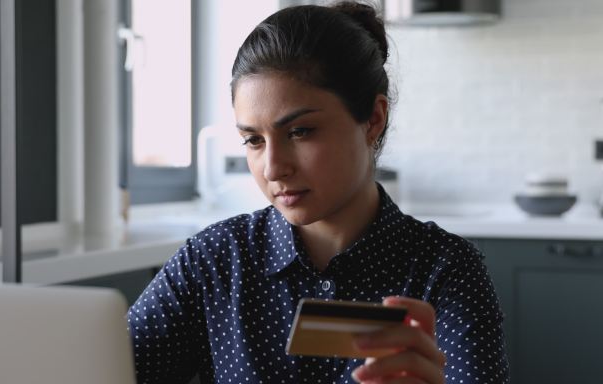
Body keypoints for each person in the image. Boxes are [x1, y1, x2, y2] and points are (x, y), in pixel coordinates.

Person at [128, 2, 509, 383]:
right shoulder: (211, 263)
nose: (274, 168)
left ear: (373, 119)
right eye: (253, 140)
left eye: (300, 132)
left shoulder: (446, 270)